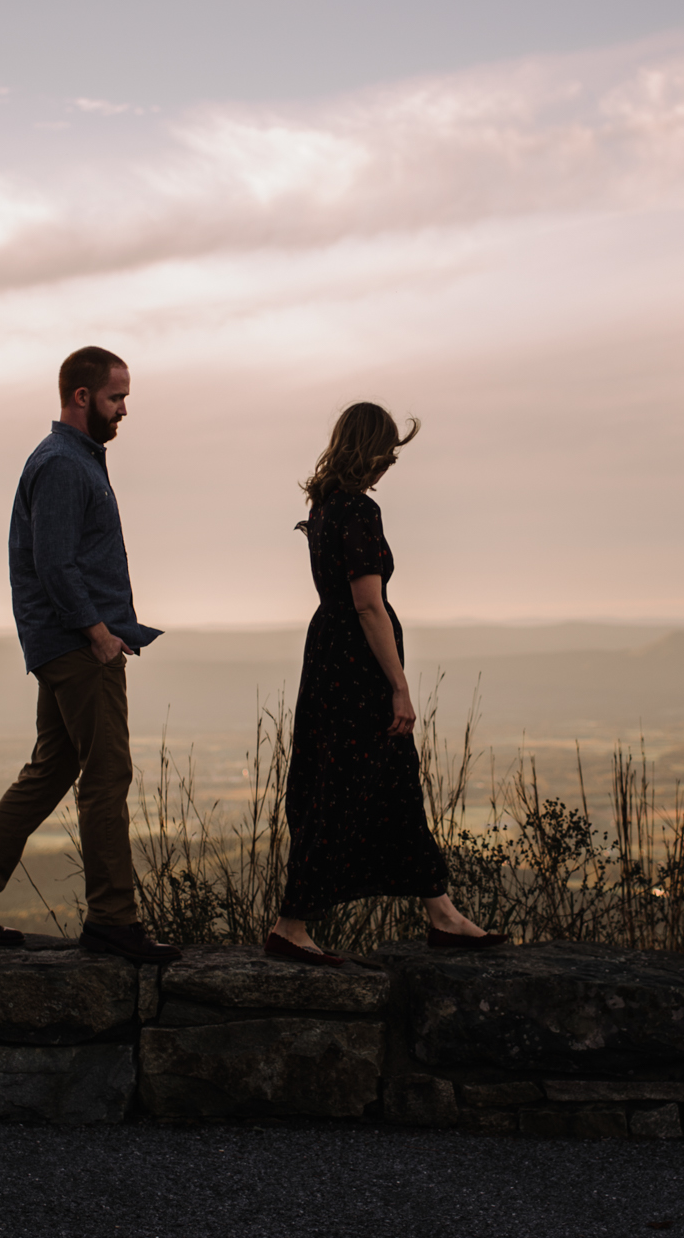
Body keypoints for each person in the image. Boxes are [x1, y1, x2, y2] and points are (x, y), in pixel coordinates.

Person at [0, 347, 181, 964]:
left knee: (51, 768)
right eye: (115, 398)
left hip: (63, 641)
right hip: (77, 645)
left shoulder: (71, 461)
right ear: (80, 396)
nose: (124, 410)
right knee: (107, 776)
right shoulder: (65, 466)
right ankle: (112, 921)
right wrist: (97, 633)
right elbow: (54, 561)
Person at [265, 403, 507, 965]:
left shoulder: (324, 509)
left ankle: (442, 914)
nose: (389, 465)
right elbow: (369, 604)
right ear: (370, 450)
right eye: (387, 454)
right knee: (342, 789)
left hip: (328, 657)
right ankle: (290, 924)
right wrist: (398, 684)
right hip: (357, 667)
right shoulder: (358, 511)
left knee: (390, 783)